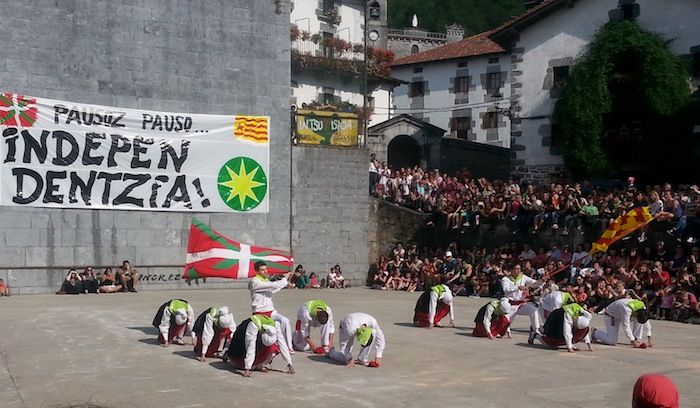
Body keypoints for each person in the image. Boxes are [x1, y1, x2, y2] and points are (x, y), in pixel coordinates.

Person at [224, 314, 294, 377]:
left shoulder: (275, 325)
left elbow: (282, 344)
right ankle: (250, 365)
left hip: (256, 347)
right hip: (239, 353)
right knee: (251, 347)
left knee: (275, 347)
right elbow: (250, 347)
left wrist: (289, 364)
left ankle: (257, 365)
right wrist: (247, 369)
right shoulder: (253, 325)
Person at [248, 261, 293, 352]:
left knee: (285, 321)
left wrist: (284, 282)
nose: (265, 271)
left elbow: (272, 290)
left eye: (266, 269)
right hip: (259, 313)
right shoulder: (255, 282)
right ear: (257, 271)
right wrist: (285, 279)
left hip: (271, 311)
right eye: (262, 270)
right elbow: (273, 285)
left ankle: (289, 346)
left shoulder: (266, 281)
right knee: (266, 336)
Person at [501, 264, 541, 334]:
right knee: (504, 329)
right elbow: (506, 290)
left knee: (533, 309)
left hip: (520, 305)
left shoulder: (523, 277)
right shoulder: (505, 279)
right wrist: (518, 287)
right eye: (516, 269)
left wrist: (541, 281)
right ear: (511, 270)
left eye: (519, 268)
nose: (518, 270)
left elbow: (534, 284)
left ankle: (536, 330)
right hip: (510, 305)